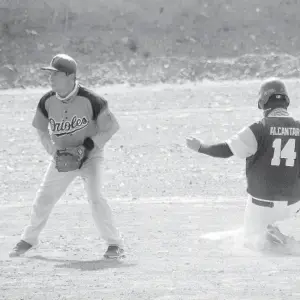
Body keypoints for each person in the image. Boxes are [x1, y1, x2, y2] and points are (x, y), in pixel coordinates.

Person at [9, 54, 125, 259]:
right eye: (49, 74)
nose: (50, 79)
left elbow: (111, 128)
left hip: (90, 158)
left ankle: (115, 244)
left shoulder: (92, 99)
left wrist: (87, 147)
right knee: (44, 197)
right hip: (62, 158)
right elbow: (42, 131)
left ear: (71, 77)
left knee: (96, 198)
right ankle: (29, 239)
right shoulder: (47, 100)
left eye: (56, 74)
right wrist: (53, 150)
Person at [186, 77, 300, 251]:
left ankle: (264, 236)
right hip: (293, 206)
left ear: (262, 102)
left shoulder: (259, 128)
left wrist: (201, 147)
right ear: (286, 101)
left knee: (249, 242)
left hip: (261, 206)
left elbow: (226, 150)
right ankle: (285, 232)